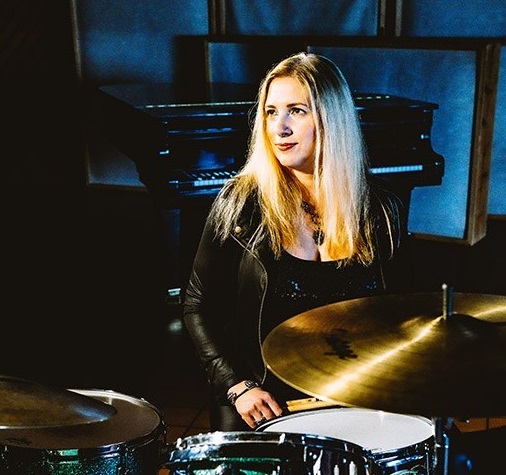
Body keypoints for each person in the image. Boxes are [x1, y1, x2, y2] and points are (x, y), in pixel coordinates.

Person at [183, 52, 411, 431]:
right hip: (261, 400)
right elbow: (197, 305)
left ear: (331, 118)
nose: (280, 128)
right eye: (271, 112)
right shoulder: (239, 203)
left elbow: (405, 315)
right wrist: (237, 386)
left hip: (351, 396)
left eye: (297, 111)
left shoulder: (381, 210)